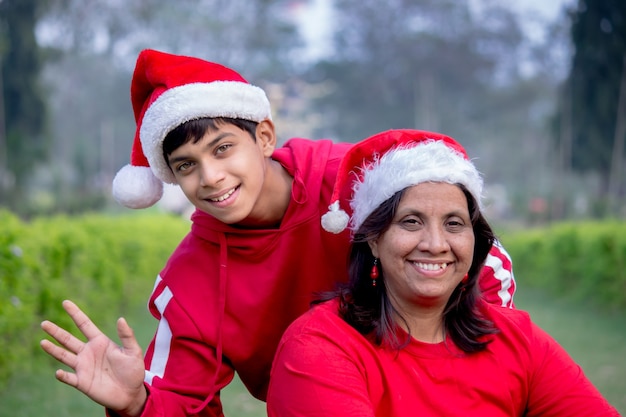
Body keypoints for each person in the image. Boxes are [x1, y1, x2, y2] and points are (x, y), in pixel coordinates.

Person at [40, 50, 516, 417]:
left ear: (264, 137)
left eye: (223, 148)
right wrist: (138, 403)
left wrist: (464, 359)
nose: (210, 177)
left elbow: (477, 255)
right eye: (187, 166)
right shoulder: (191, 282)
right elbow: (185, 404)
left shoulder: (358, 181)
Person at [266, 129, 620, 417]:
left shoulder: (517, 339)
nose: (435, 244)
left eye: (454, 223)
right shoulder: (318, 347)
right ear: (373, 239)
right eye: (410, 221)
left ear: (475, 240)